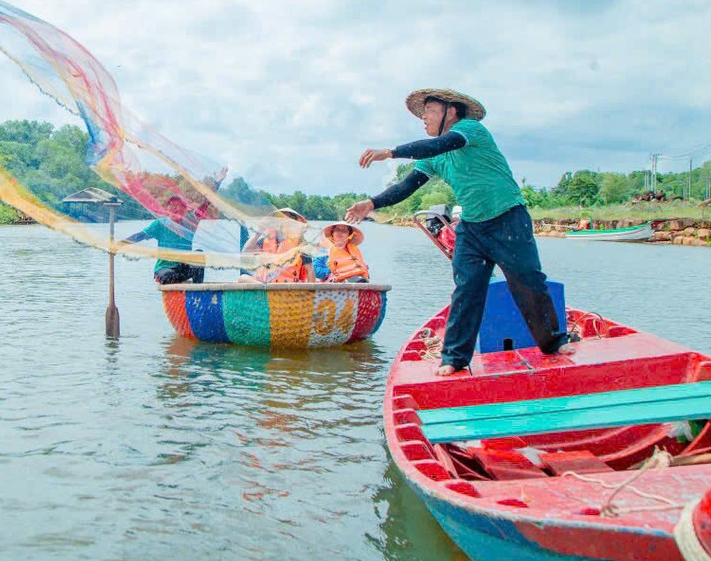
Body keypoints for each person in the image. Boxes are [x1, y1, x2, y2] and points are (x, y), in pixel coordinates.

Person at [345, 88, 575, 376]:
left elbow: (440, 144)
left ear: (451, 111)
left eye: (429, 111)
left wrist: (391, 153)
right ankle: (454, 357)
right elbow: (408, 185)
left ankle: (554, 343)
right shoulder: (434, 157)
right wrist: (372, 203)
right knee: (467, 289)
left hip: (508, 219)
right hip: (473, 228)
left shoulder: (469, 130)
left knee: (527, 281)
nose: (424, 118)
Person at [118, 195, 210, 284]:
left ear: (184, 209)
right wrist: (120, 244)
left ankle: (198, 290)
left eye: (177, 205)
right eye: (171, 205)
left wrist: (209, 199)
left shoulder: (189, 223)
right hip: (164, 268)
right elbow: (141, 235)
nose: (174, 208)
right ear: (167, 209)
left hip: (182, 267)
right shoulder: (161, 224)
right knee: (169, 276)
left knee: (199, 254)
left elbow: (201, 210)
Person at [241, 208, 315, 283]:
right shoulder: (265, 241)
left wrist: (310, 292)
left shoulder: (301, 244)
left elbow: (310, 270)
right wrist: (258, 232)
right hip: (266, 283)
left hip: (290, 286)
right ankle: (264, 287)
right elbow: (246, 251)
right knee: (243, 278)